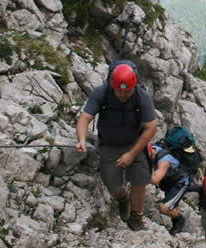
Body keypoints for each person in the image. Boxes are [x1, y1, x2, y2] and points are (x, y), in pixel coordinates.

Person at [76, 62, 158, 231]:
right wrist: (82, 140)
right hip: (109, 145)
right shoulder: (102, 93)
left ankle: (136, 216)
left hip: (135, 144)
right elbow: (85, 118)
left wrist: (131, 154)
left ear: (133, 86)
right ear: (112, 86)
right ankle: (122, 199)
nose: (122, 95)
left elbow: (151, 128)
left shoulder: (141, 96)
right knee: (113, 186)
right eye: (118, 91)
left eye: (126, 91)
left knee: (139, 182)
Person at [148, 143, 195, 235]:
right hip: (170, 181)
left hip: (181, 182)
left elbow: (154, 180)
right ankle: (176, 224)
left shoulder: (164, 161)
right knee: (171, 205)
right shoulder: (152, 148)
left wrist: (141, 169)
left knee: (164, 208)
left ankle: (179, 219)